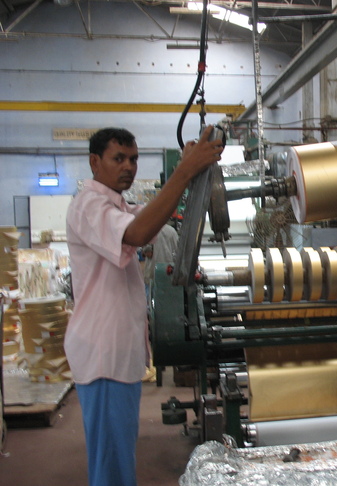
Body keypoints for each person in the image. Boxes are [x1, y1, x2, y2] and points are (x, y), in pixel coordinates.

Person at [65, 125, 224, 486]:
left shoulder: (116, 204)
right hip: (103, 356)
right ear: (94, 162)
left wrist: (191, 174)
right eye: (118, 158)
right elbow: (138, 232)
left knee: (119, 458)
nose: (128, 166)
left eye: (134, 159)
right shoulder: (89, 205)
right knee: (111, 466)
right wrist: (185, 171)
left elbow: (154, 218)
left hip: (117, 353)